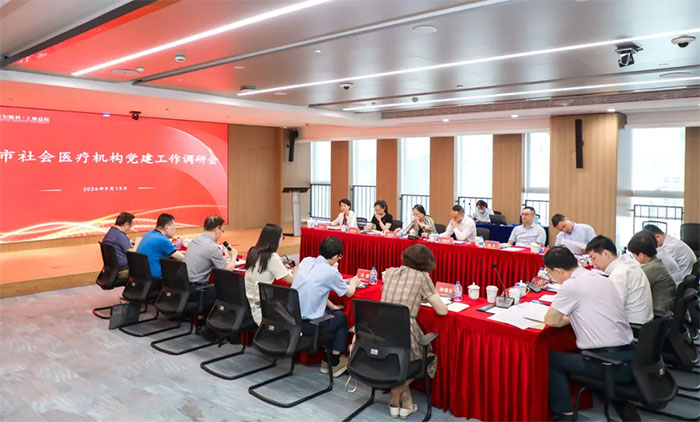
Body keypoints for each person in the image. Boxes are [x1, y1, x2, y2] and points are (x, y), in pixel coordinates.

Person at [543, 246, 636, 421]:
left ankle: (565, 414)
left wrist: (568, 317)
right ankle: (607, 395)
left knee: (550, 360)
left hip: (609, 363)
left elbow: (551, 321)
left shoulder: (572, 286)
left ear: (558, 271)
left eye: (549, 273)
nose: (550, 277)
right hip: (631, 355)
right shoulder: (599, 277)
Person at [381, 244, 448, 418]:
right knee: (426, 357)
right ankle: (396, 391)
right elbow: (442, 311)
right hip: (404, 332)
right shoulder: (422, 277)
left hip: (381, 333)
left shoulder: (390, 272)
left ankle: (407, 404)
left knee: (401, 358)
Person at [292, 236, 360, 377]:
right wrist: (354, 282)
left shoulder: (306, 261)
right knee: (342, 318)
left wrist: (332, 305)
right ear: (335, 256)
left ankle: (327, 360)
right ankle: (333, 362)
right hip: (309, 325)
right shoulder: (331, 272)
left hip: (292, 320)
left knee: (335, 314)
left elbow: (313, 289)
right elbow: (349, 293)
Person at [584, 235, 653, 324]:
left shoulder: (619, 273)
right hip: (645, 323)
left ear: (605, 254)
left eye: (593, 258)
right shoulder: (628, 264)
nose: (593, 264)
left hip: (633, 325)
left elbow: (612, 309)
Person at [184, 216, 237, 310]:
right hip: (197, 290)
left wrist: (225, 257)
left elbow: (206, 258)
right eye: (222, 231)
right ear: (217, 229)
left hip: (184, 287)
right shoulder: (212, 247)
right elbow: (227, 271)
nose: (221, 234)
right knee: (229, 290)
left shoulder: (195, 240)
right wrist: (234, 256)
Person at [244, 223, 294, 325]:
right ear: (275, 239)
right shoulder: (272, 257)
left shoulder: (253, 252)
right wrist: (297, 272)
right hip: (261, 309)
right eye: (282, 237)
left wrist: (281, 268)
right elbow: (290, 280)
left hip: (249, 304)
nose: (282, 240)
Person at [627, 231, 676, 314]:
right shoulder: (656, 263)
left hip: (658, 313)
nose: (633, 258)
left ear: (641, 255)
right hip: (664, 310)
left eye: (633, 255)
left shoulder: (652, 269)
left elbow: (631, 288)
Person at [137, 213, 185, 282]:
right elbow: (183, 259)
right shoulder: (162, 240)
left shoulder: (149, 234)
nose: (175, 229)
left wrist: (182, 252)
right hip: (155, 278)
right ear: (167, 227)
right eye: (174, 226)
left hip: (142, 276)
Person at [102, 211, 142, 281]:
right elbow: (132, 254)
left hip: (112, 270)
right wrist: (138, 242)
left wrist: (128, 242)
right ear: (126, 225)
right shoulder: (120, 235)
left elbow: (117, 244)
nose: (130, 229)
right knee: (147, 269)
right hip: (123, 270)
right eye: (130, 226)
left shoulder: (111, 232)